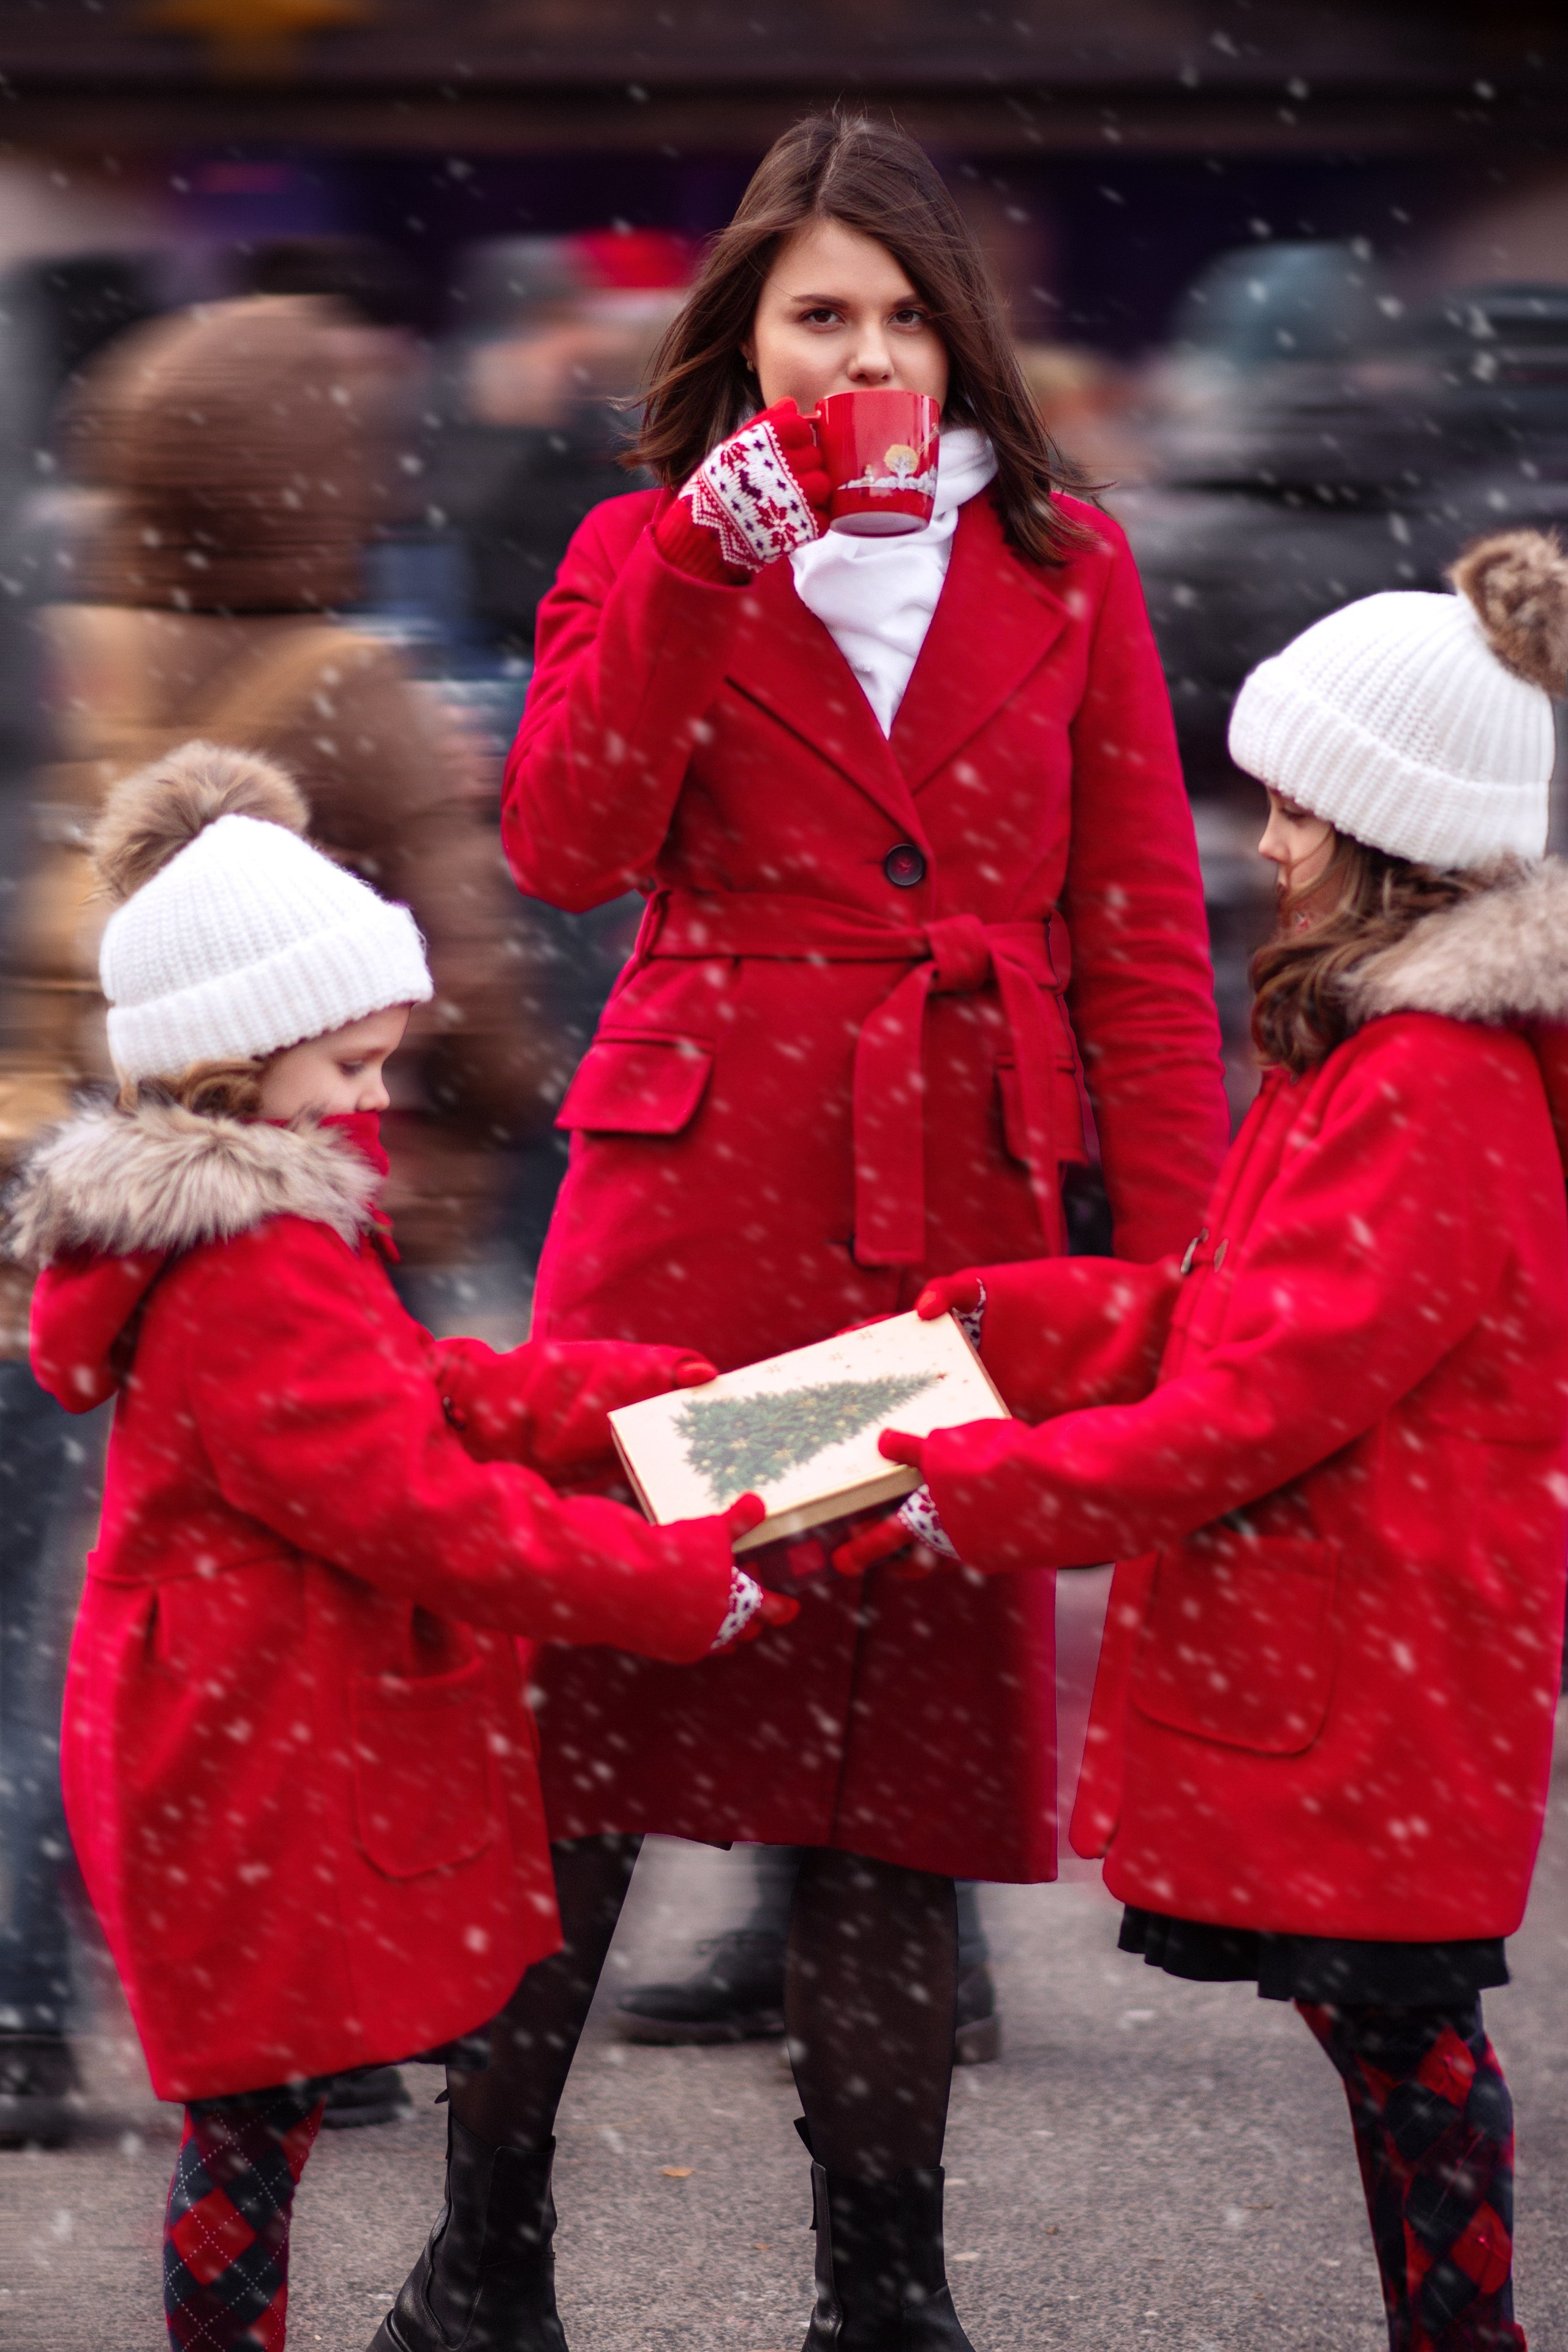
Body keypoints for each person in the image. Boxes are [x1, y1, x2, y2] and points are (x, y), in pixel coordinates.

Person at [377, 112, 1231, 2352]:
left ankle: (889, 2297)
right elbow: (567, 848)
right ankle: (485, 2269)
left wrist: (1186, 1267)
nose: (866, 358)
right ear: (746, 347)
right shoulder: (637, 542)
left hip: (951, 1224)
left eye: (901, 320)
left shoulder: (1074, 568)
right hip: (693, 1214)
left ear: (963, 346)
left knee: (891, 1781)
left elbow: (1140, 937)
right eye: (817, 320)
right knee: (591, 1729)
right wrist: (695, 571)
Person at [876, 529, 1568, 2351]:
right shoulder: (1375, 1053)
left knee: (1407, 2034)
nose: (1264, 843)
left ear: (1387, 834)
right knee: (1388, 2032)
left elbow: (1266, 1398)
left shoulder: (1433, 1085)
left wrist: (996, 1491)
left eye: (1294, 811)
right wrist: (1004, 1328)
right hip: (1372, 1637)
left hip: (1389, 1650)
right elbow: (1229, 1313)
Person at [4, 739, 786, 2352]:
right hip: (257, 1732)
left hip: (254, 1712)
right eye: (351, 1069)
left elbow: (408, 1391)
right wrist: (665, 1580)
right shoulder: (253, 1260)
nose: (378, 1103)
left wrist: (626, 1396)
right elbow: (410, 1500)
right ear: (240, 1063)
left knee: (267, 2110)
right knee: (255, 2115)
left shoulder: (259, 1223)